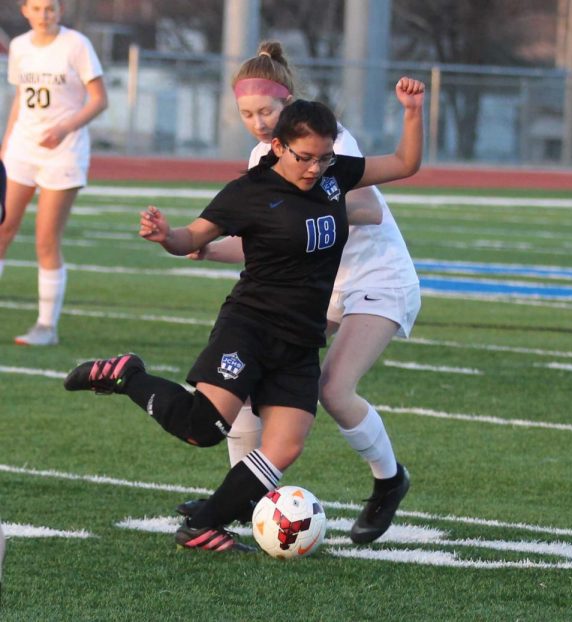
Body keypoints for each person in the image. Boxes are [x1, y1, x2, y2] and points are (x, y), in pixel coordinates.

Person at [64, 77, 425, 553]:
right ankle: (128, 376)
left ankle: (205, 523)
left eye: (323, 157)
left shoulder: (335, 175)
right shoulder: (249, 191)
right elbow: (193, 238)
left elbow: (404, 163)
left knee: (286, 445)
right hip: (251, 325)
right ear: (278, 146)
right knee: (202, 429)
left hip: (300, 337)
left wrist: (412, 111)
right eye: (305, 157)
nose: (315, 168)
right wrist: (166, 235)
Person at [178, 42, 420, 545]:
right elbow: (264, 243)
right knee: (245, 384)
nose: (259, 122)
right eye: (247, 113)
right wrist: (203, 248)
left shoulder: (325, 140)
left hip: (375, 277)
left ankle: (389, 479)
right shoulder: (262, 158)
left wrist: (304, 214)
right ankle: (239, 499)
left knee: (333, 388)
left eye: (267, 110)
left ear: (288, 102)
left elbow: (369, 209)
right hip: (318, 285)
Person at [0, 0, 107, 346]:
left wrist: (65, 128)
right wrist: (5, 147)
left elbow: (99, 99)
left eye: (50, 8)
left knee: (46, 239)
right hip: (22, 149)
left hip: (64, 152)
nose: (44, 15)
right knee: (3, 228)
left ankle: (46, 327)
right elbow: (21, 98)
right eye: (37, 8)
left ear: (60, 11)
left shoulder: (76, 44)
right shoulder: (19, 46)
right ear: (24, 11)